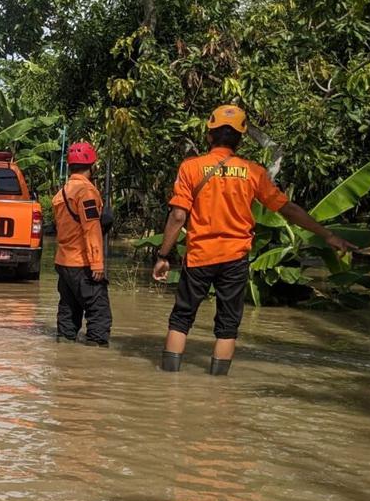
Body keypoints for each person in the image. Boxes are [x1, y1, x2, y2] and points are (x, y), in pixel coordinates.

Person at [151, 104, 356, 375]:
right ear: (241, 138)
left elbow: (178, 217)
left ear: (209, 134)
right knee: (227, 325)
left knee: (181, 319)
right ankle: (219, 392)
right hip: (235, 259)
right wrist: (327, 234)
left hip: (200, 255)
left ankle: (168, 382)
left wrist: (163, 256)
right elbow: (288, 209)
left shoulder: (191, 168)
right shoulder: (253, 172)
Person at [53, 142, 111, 345]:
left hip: (64, 262)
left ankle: (65, 354)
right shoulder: (86, 192)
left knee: (68, 312)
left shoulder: (62, 192)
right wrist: (97, 263)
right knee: (99, 315)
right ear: (92, 165)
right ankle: (93, 363)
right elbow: (91, 228)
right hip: (82, 263)